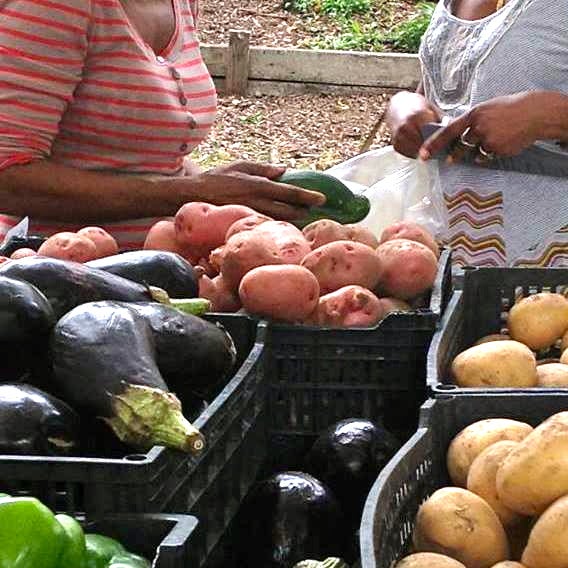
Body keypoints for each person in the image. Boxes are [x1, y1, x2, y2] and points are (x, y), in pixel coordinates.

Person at [0, 0, 324, 248]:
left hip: (160, 274)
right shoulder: (55, 6)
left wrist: (223, 190)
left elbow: (146, 159)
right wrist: (190, 193)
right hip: (56, 278)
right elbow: (9, 176)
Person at [386, 0, 568, 267]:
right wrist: (404, 104)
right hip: (451, 254)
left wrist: (554, 116)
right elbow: (453, 86)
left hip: (551, 261)